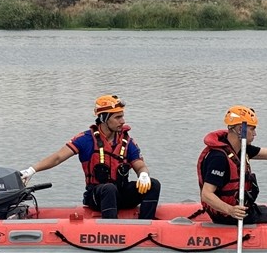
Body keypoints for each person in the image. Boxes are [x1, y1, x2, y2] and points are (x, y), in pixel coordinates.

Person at [20, 94, 161, 220]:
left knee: (153, 184)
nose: (123, 121)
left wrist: (143, 175)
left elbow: (139, 165)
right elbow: (58, 157)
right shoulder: (85, 139)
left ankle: (146, 226)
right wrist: (32, 170)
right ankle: (111, 231)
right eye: (117, 117)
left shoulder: (127, 142)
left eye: (122, 116)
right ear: (104, 118)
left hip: (121, 193)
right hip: (97, 196)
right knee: (109, 188)